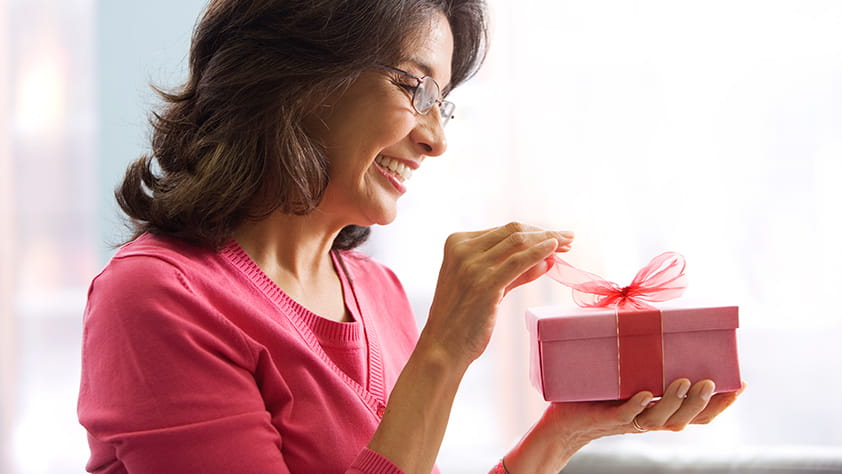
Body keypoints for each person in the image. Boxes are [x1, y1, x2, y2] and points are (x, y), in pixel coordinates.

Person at [77, 0, 742, 472]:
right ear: (295, 78)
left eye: (443, 101)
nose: (436, 138)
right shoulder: (157, 297)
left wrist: (566, 433)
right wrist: (442, 354)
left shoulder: (377, 291)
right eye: (414, 88)